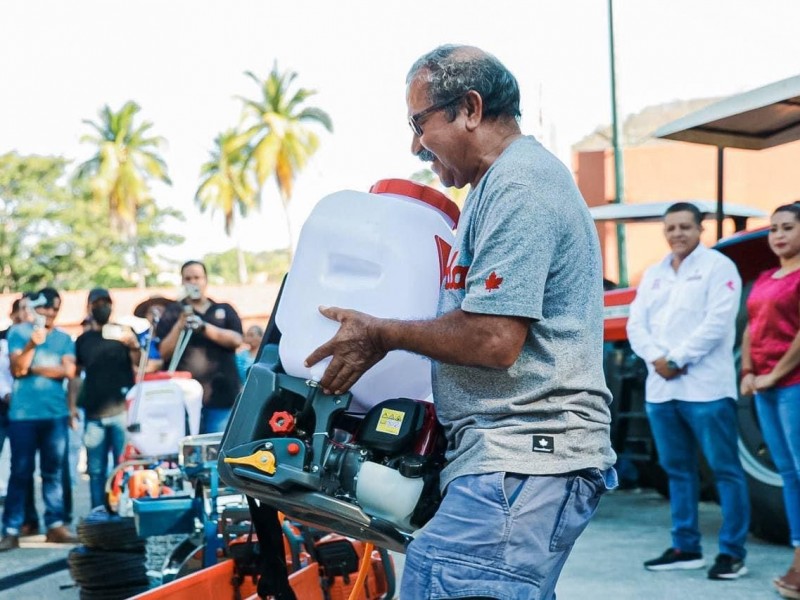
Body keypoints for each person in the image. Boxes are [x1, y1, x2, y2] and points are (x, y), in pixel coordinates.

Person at [304, 45, 617, 599]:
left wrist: (381, 332)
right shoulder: (489, 191)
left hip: (524, 458)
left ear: (469, 108)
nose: (414, 145)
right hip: (508, 462)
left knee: (439, 580)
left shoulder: (520, 187)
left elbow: (493, 338)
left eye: (418, 123)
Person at [627, 202, 750, 580]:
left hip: (706, 389)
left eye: (685, 227)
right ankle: (686, 547)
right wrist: (657, 360)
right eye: (671, 228)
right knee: (677, 471)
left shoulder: (719, 268)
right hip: (662, 390)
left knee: (725, 470)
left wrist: (676, 359)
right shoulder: (654, 273)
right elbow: (636, 325)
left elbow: (717, 323)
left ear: (701, 229)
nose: (677, 234)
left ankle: (732, 553)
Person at [739, 204, 800, 598]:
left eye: (788, 228)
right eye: (773, 228)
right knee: (789, 473)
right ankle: (798, 553)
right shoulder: (764, 277)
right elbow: (750, 328)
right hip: (764, 385)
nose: (778, 235)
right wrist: (747, 371)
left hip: (793, 382)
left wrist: (774, 375)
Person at [0, 287, 78, 550]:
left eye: (56, 308)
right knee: (20, 472)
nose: (51, 313)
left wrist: (33, 368)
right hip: (23, 415)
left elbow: (68, 370)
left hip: (54, 414)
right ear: (36, 308)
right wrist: (33, 344)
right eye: (46, 307)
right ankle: (11, 528)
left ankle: (55, 525)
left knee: (53, 473)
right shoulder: (18, 333)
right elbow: (18, 369)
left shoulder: (65, 338)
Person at [72, 288, 140, 509]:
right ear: (89, 306)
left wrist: (133, 344)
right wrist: (71, 405)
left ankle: (124, 510)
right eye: (97, 302)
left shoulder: (124, 333)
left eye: (106, 302)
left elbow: (141, 363)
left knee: (123, 466)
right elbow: (75, 375)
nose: (102, 306)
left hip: (121, 410)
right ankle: (98, 513)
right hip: (94, 414)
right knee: (96, 469)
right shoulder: (83, 340)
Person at [157, 261, 243, 434]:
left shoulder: (224, 309)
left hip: (221, 398)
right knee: (187, 456)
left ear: (205, 280)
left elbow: (236, 340)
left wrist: (203, 327)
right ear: (182, 282)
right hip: (184, 401)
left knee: (217, 454)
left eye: (197, 277)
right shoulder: (172, 312)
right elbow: (163, 353)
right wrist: (179, 324)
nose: (193, 282)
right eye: (188, 278)